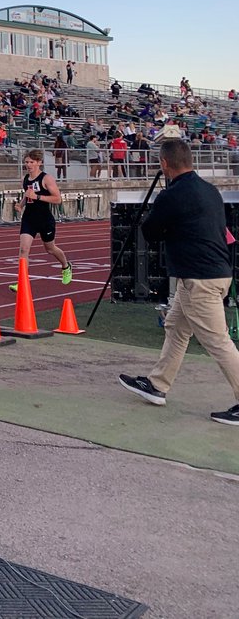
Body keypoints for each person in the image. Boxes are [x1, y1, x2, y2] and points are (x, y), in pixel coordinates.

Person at [119, 140, 239, 425]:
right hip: (215, 273)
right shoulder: (210, 191)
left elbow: (149, 232)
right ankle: (158, 385)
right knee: (176, 328)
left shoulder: (171, 196)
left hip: (199, 279)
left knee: (218, 342)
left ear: (164, 164)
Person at [9, 149, 73, 293]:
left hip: (45, 219)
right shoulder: (25, 179)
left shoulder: (46, 178)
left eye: (32, 162)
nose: (28, 165)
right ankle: (22, 282)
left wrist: (37, 197)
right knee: (23, 249)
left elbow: (57, 199)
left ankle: (66, 266)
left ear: (39, 163)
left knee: (50, 249)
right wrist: (21, 204)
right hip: (29, 219)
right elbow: (27, 194)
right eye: (26, 162)